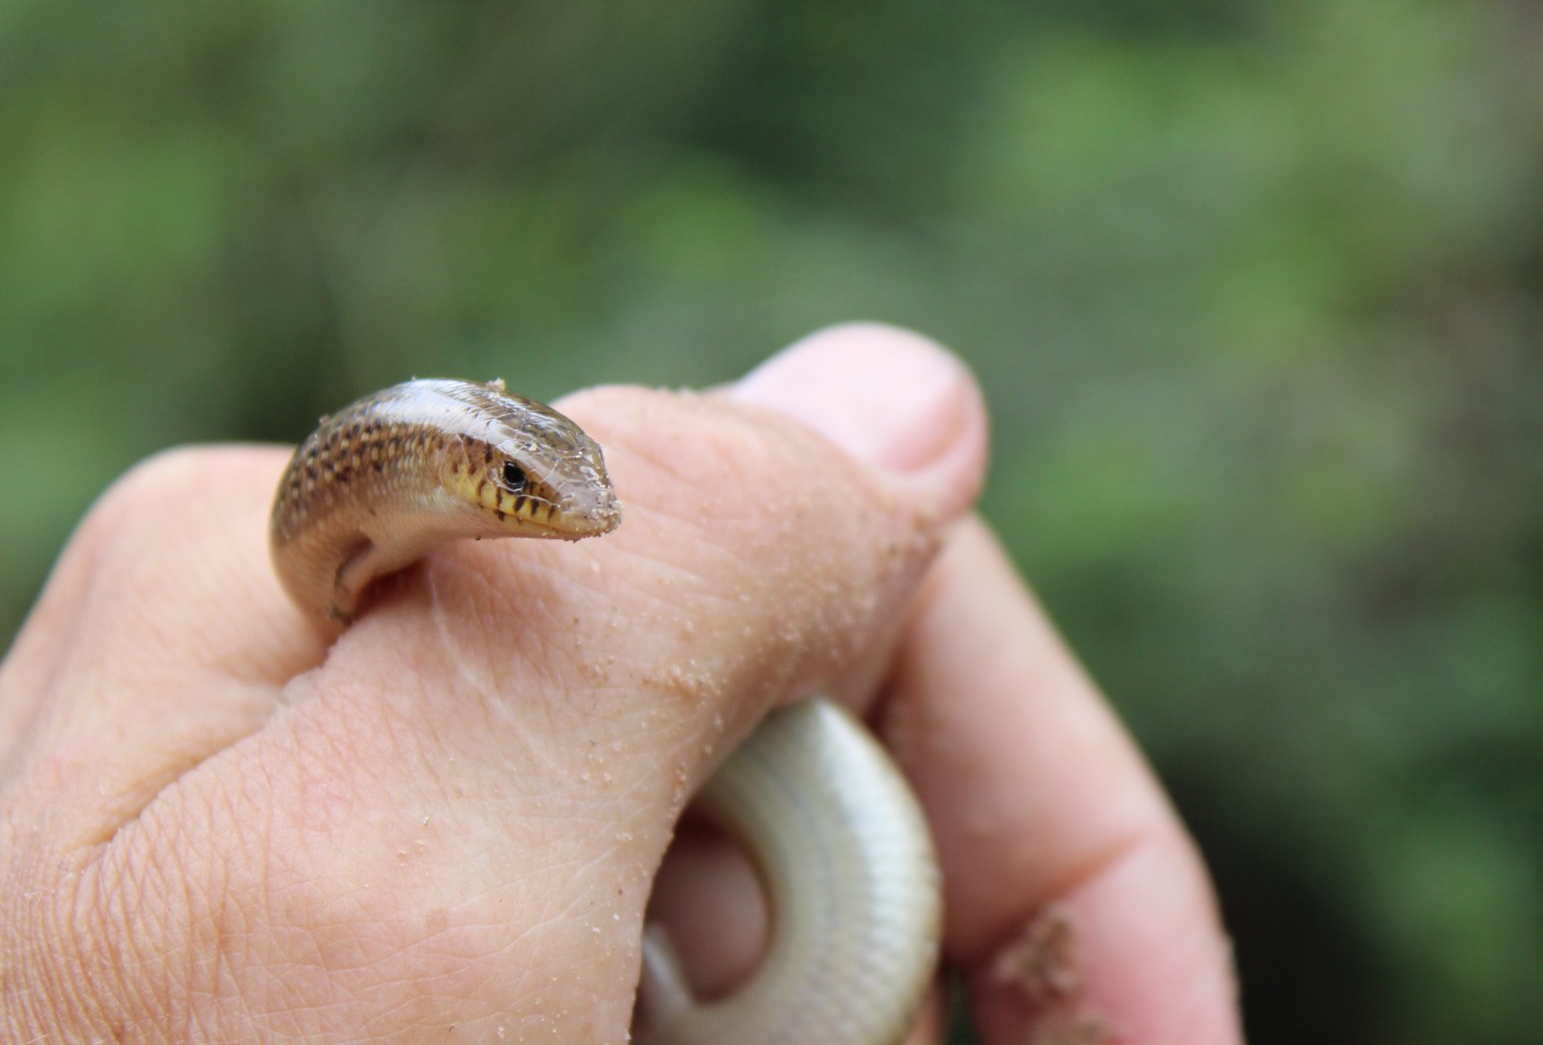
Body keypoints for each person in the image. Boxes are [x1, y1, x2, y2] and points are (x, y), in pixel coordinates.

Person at [0, 325, 1242, 1043]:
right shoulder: (388, 484)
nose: (576, 521)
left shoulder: (457, 482)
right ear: (452, 476)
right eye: (530, 496)